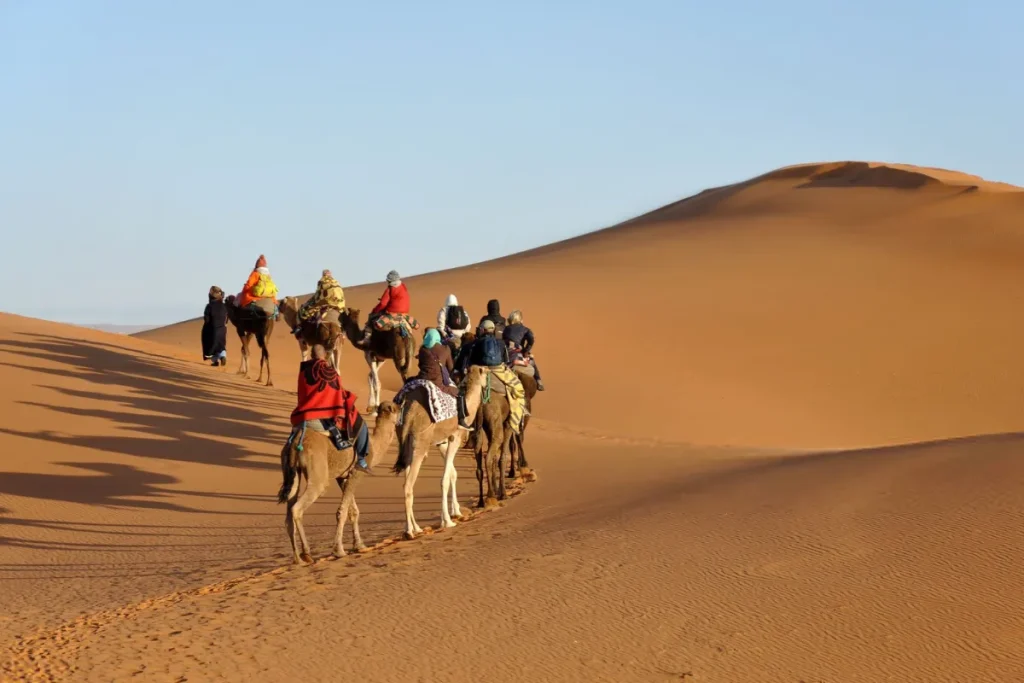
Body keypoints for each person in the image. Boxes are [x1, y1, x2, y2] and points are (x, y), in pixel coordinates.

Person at [290, 345, 371, 473]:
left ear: (311, 355)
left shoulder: (304, 371)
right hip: (321, 419)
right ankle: (361, 460)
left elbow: (302, 394)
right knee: (360, 425)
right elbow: (337, 394)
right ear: (326, 356)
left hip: (302, 416)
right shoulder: (331, 372)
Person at [462, 320, 527, 435]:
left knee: (459, 390)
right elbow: (506, 360)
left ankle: (459, 420)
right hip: (499, 370)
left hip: (480, 370)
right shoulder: (501, 343)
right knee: (518, 389)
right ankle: (517, 418)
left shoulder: (476, 343)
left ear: (482, 330)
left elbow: (471, 361)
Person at [414, 328, 473, 430]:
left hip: (421, 380)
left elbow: (420, 365)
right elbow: (450, 368)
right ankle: (461, 420)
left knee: (407, 384)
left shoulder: (422, 349)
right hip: (437, 383)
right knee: (459, 394)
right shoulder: (445, 349)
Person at [360, 270, 410, 343]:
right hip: (404, 314)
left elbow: (383, 303)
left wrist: (375, 310)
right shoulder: (403, 287)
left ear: (389, 281)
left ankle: (367, 339)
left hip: (391, 313)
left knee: (371, 318)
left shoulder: (390, 289)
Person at [503, 309, 545, 391]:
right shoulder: (525, 329)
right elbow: (532, 339)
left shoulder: (506, 329)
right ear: (520, 319)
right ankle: (539, 381)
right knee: (532, 361)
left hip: (506, 354)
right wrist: (526, 350)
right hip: (517, 354)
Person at [294, 269, 346, 336]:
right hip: (338, 304)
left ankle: (299, 328)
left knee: (303, 311)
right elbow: (341, 295)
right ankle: (344, 330)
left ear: (323, 275)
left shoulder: (322, 281)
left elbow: (318, 295)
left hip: (324, 303)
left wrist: (311, 301)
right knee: (346, 314)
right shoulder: (336, 282)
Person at [201, 286, 228, 367]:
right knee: (221, 345)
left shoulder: (209, 306)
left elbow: (207, 320)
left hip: (212, 330)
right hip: (223, 329)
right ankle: (223, 356)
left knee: (210, 343)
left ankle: (215, 361)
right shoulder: (224, 306)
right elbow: (227, 319)